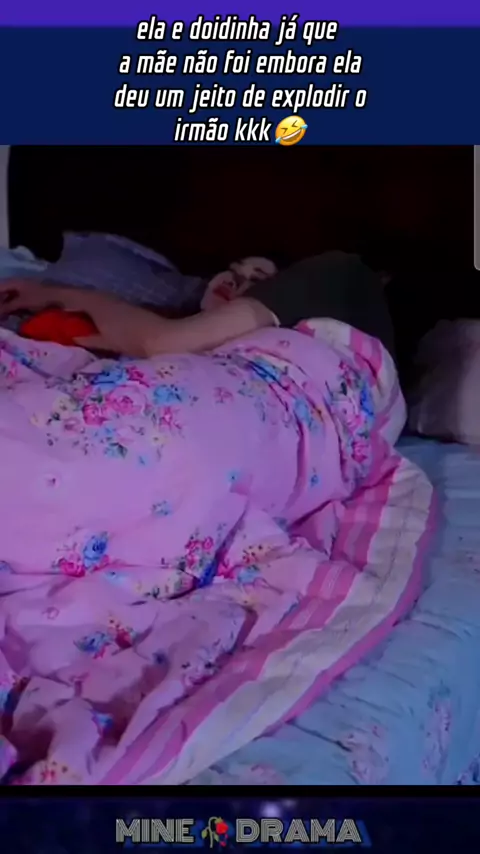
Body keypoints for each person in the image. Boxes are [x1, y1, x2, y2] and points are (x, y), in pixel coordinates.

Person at [0, 252, 395, 361]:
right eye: (233, 270)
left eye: (257, 281)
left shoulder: (339, 275)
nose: (234, 280)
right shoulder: (146, 322)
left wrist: (59, 294)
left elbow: (160, 342)